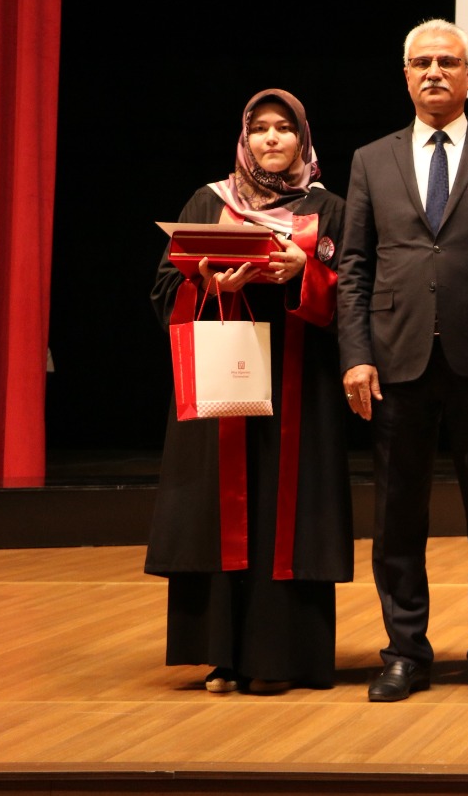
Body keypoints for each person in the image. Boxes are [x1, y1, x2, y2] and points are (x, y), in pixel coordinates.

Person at [337, 19, 468, 703]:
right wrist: (356, 355)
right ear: (405, 75)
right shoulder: (371, 159)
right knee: (397, 515)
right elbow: (355, 266)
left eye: (448, 62)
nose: (434, 72)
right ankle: (404, 651)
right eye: (422, 62)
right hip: (395, 360)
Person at [147, 88, 351, 694]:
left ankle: (282, 657)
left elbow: (358, 293)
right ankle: (223, 655)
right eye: (259, 128)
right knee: (224, 506)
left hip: (299, 385)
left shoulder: (330, 209)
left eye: (284, 128)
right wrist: (206, 280)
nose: (271, 138)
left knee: (287, 508)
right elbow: (164, 290)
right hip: (224, 377)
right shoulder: (210, 202)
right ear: (245, 138)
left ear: (302, 139)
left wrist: (305, 274)